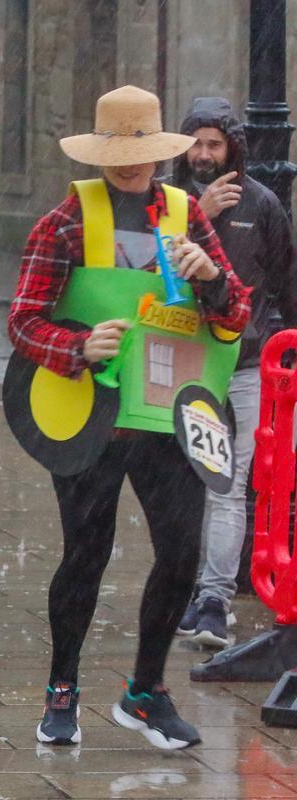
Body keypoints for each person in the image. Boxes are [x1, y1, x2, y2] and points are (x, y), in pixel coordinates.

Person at [9, 85, 251, 749]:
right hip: (90, 419)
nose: (128, 163)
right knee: (84, 555)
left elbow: (234, 317)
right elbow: (23, 321)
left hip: (168, 417)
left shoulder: (185, 216)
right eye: (116, 150)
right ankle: (62, 689)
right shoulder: (64, 220)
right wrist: (76, 347)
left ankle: (146, 692)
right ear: (98, 154)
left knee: (181, 552)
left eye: (139, 150)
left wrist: (210, 279)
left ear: (157, 152)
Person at [168, 97, 297, 649]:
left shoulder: (264, 204)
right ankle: (181, 590)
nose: (203, 154)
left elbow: (286, 280)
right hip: (182, 358)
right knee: (181, 483)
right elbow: (156, 267)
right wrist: (204, 213)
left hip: (244, 363)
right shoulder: (173, 202)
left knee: (228, 484)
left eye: (213, 144)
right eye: (194, 144)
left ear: (232, 148)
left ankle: (215, 599)